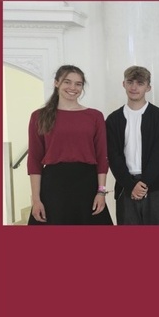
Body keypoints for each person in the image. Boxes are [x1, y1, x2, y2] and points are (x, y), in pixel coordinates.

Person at [27, 65, 113, 225]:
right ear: (56, 83)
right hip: (53, 186)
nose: (73, 87)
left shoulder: (95, 116)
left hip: (87, 184)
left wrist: (101, 192)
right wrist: (36, 200)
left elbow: (102, 157)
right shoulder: (39, 116)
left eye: (78, 84)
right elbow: (34, 160)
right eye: (67, 82)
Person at [105, 66, 159, 225]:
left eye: (140, 83)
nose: (134, 87)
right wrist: (130, 185)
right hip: (125, 186)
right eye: (130, 82)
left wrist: (144, 184)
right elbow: (113, 156)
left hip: (157, 188)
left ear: (148, 87)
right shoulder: (113, 119)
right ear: (124, 84)